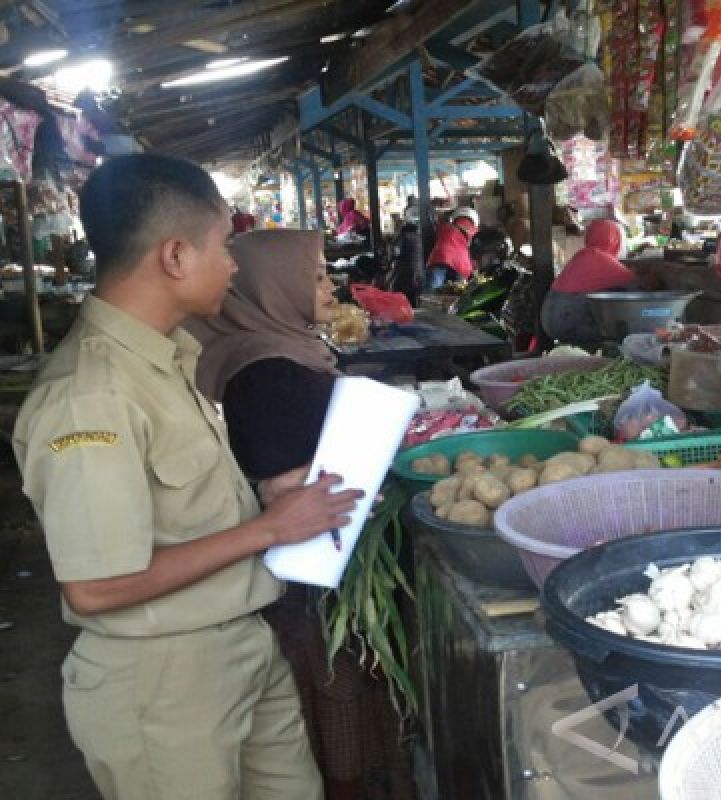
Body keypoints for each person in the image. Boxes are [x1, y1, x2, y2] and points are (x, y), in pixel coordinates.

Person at [12, 154, 362, 800]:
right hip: (163, 680)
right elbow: (95, 587)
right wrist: (268, 528)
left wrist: (260, 503)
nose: (233, 265)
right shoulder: (92, 396)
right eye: (224, 247)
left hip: (240, 645)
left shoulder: (170, 358)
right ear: (175, 256)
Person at [189, 229, 405, 800]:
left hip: (320, 562)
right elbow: (284, 486)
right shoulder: (267, 371)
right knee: (336, 691)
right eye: (312, 275)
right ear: (271, 288)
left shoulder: (284, 347)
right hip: (311, 578)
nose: (328, 284)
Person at [540, 219, 635, 344]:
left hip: (547, 323)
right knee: (625, 331)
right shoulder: (602, 259)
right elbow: (634, 285)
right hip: (567, 326)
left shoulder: (582, 255)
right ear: (614, 240)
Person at [425, 207, 479, 289]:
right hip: (461, 266)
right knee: (459, 296)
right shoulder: (474, 231)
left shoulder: (444, 227)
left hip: (439, 259)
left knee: (431, 295)